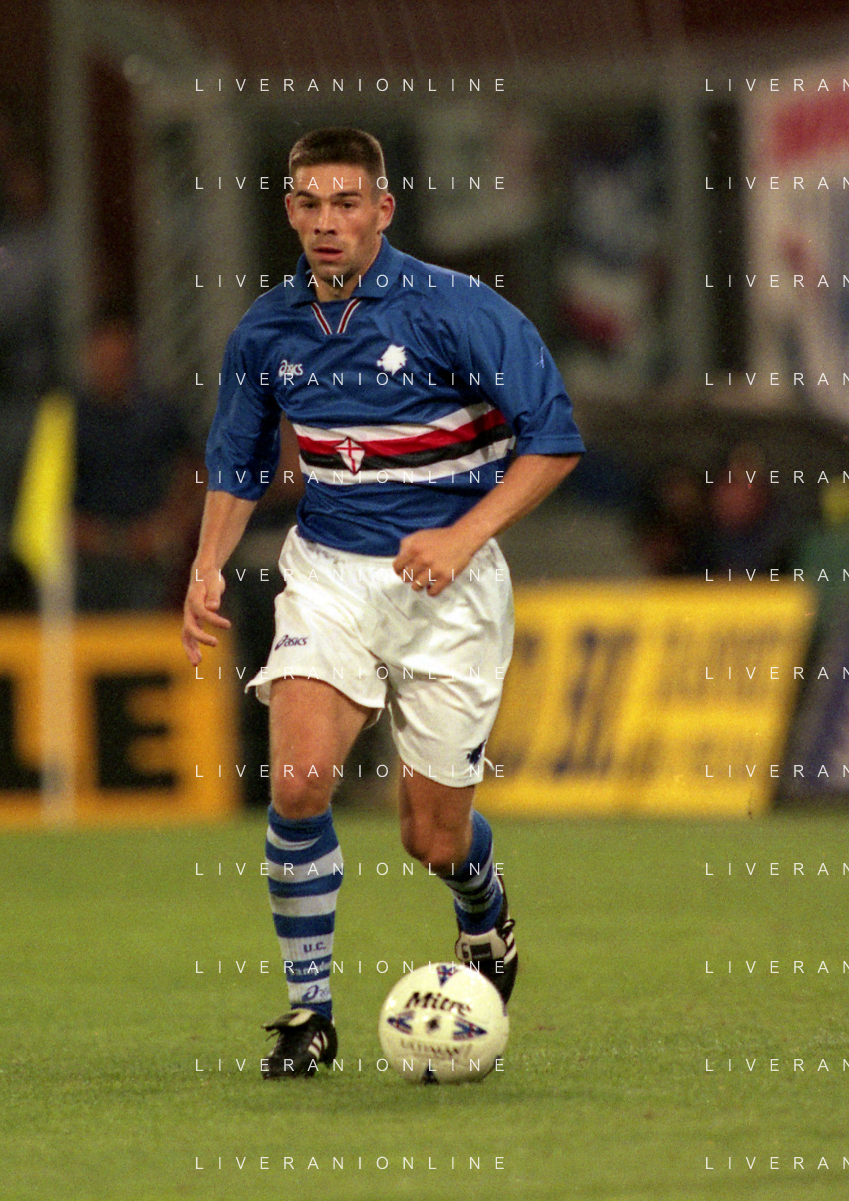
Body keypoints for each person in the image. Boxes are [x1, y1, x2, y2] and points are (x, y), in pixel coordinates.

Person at [181, 127, 584, 1077]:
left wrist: (461, 536)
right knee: (296, 784)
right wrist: (206, 565)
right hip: (328, 574)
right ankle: (308, 1013)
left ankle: (482, 904)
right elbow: (238, 461)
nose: (327, 221)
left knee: (430, 837)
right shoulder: (266, 331)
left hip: (450, 591)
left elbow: (554, 440)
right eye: (310, 203)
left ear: (382, 209)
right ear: (289, 210)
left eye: (346, 202)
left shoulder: (456, 308)